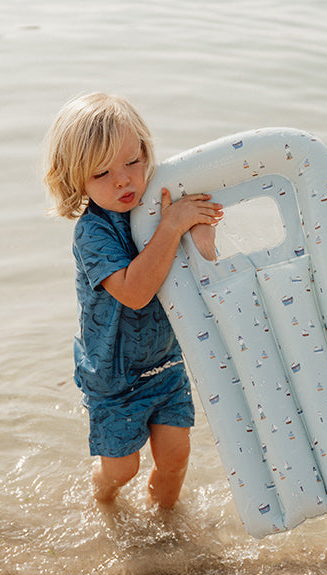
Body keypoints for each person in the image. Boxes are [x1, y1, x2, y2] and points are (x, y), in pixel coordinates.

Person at [42, 92, 223, 509]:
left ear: (146, 151)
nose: (123, 180)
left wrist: (200, 233)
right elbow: (136, 293)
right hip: (114, 375)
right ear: (77, 180)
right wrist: (172, 227)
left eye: (131, 162)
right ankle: (102, 497)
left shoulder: (161, 205)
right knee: (123, 469)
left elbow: (201, 274)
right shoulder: (94, 232)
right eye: (101, 173)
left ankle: (167, 523)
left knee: (176, 457)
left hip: (165, 362)